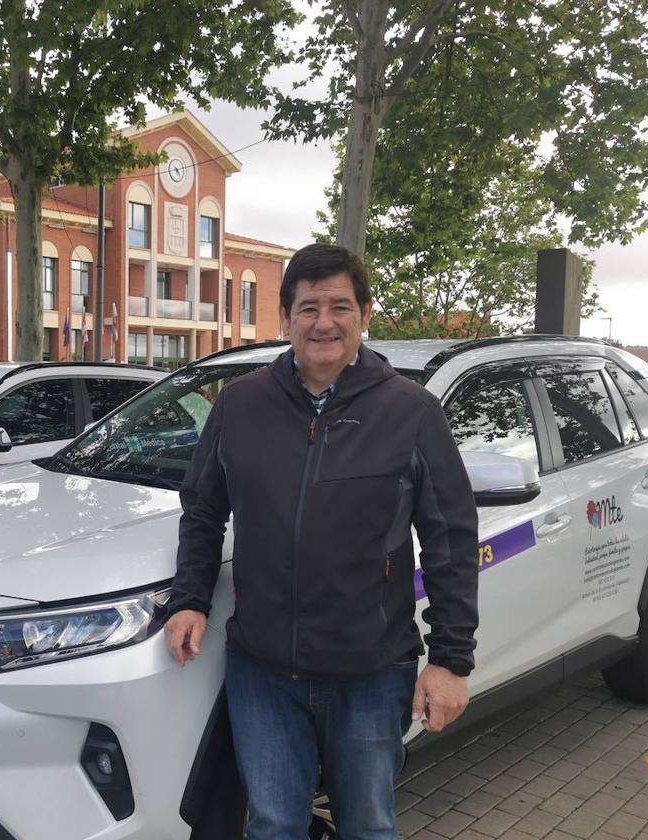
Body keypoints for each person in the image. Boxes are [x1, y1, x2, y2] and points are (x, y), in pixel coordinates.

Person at [165, 243, 479, 840]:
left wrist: (450, 660)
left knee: (367, 826)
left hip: (371, 671)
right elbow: (203, 511)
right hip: (262, 672)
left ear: (364, 313)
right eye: (308, 307)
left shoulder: (411, 413)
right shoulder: (240, 405)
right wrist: (189, 599)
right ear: (285, 319)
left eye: (340, 305)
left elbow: (451, 541)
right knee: (272, 825)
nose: (324, 322)